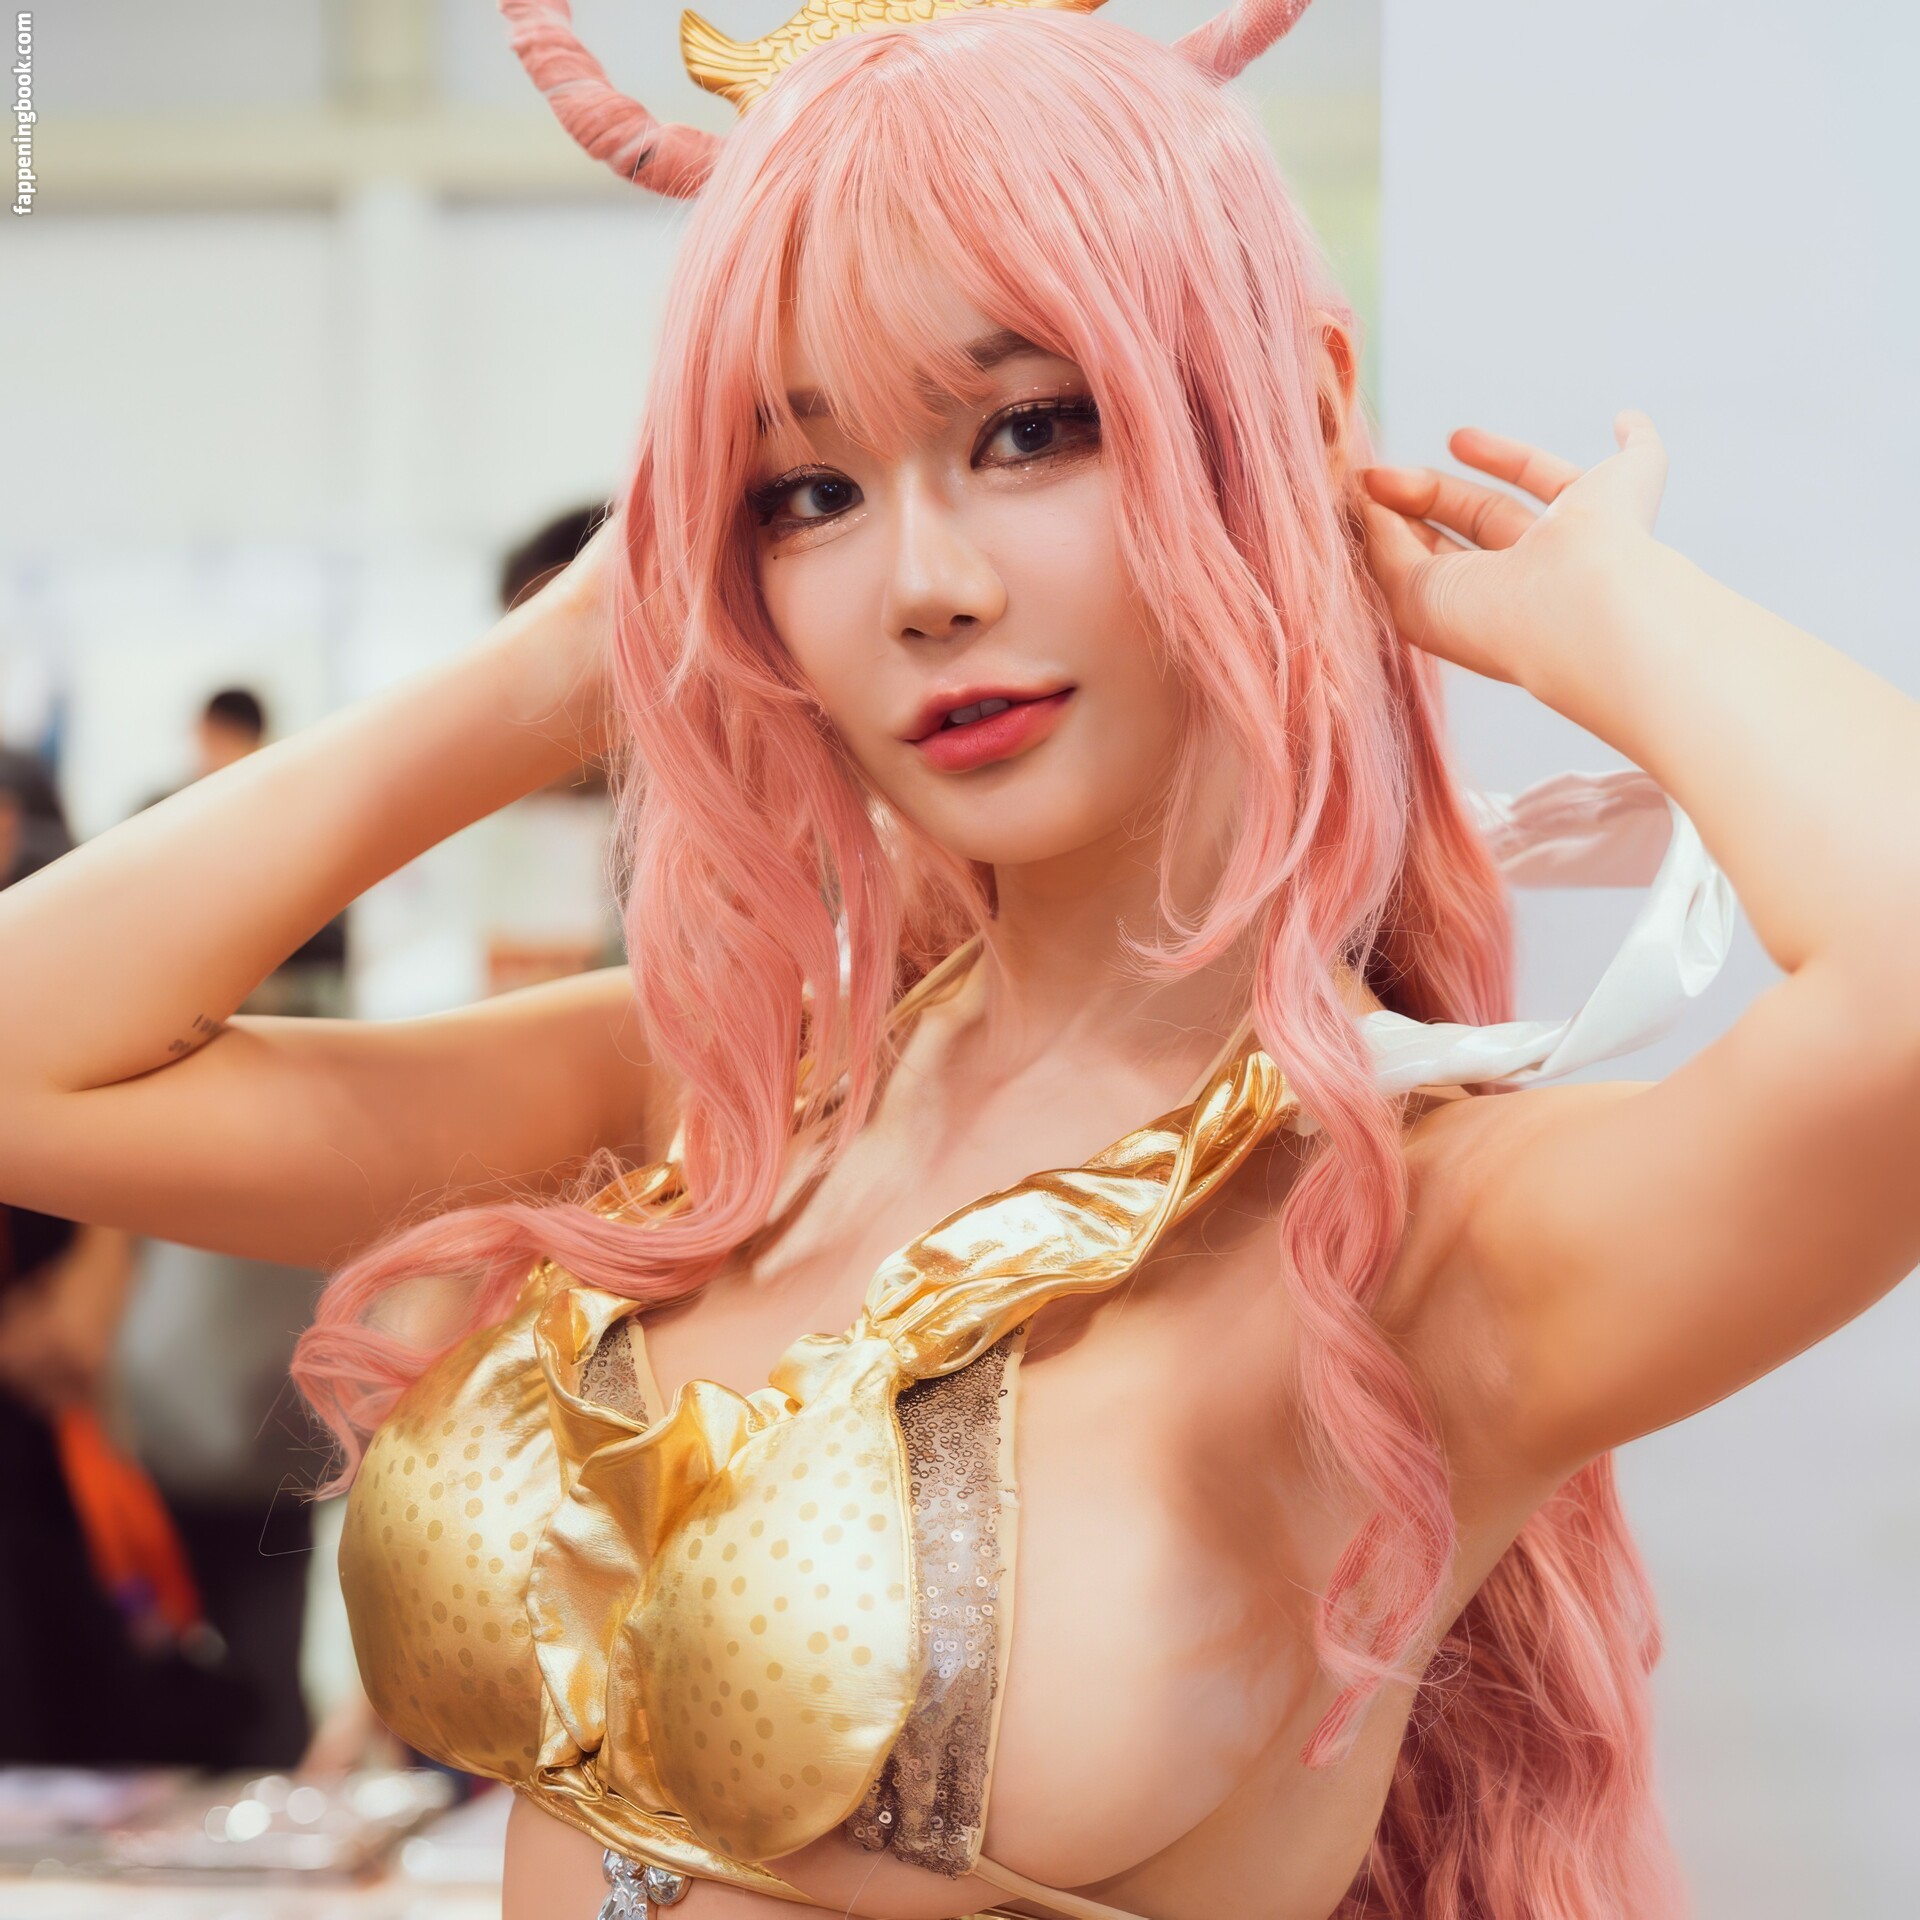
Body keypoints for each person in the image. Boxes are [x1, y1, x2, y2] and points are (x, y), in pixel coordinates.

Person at [0, 2, 1914, 1915]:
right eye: (804, 489)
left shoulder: (1420, 1243)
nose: (923, 584)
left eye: (1032, 428)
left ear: (1298, 413)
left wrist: (1605, 617)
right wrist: (567, 658)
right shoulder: (725, 1096)